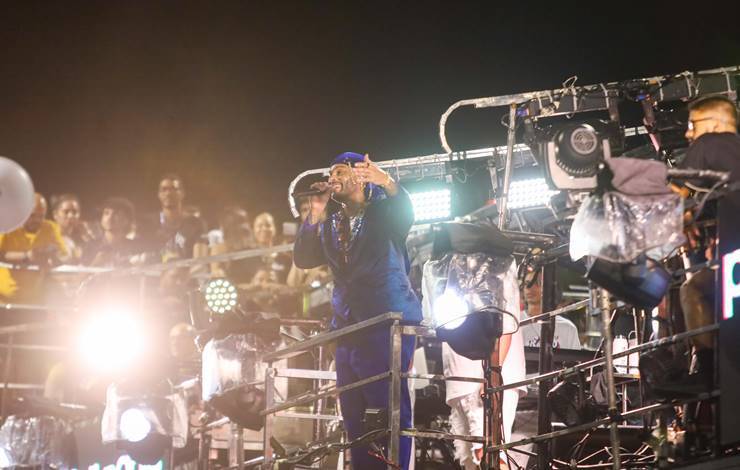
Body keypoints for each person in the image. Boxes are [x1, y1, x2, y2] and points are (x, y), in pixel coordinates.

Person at [293, 152, 421, 469]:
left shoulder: (382, 212)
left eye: (339, 171)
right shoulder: (332, 221)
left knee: (386, 407)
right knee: (353, 411)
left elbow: (406, 214)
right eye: (330, 172)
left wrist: (388, 183)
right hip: (347, 325)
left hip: (386, 320)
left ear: (360, 175)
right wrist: (316, 211)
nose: (332, 178)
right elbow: (304, 258)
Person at [0, 193, 67, 303]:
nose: (37, 220)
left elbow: (64, 255)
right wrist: (26, 256)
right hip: (3, 301)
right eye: (32, 215)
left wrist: (52, 257)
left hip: (35, 301)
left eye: (41, 216)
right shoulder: (6, 225)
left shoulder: (50, 227)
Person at [138, 174, 208, 261]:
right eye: (164, 190)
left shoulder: (196, 223)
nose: (168, 193)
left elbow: (200, 261)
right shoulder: (148, 223)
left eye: (174, 189)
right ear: (159, 195)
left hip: (187, 272)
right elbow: (142, 258)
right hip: (155, 273)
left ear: (182, 193)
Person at [82, 197, 141, 267]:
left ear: (126, 220)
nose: (110, 217)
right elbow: (80, 276)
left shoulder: (134, 247)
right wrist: (96, 263)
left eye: (116, 214)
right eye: (106, 213)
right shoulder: (91, 246)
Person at [51, 194, 95, 263]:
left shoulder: (83, 239)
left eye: (74, 212)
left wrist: (87, 238)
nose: (70, 216)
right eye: (66, 212)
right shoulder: (47, 238)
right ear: (55, 214)